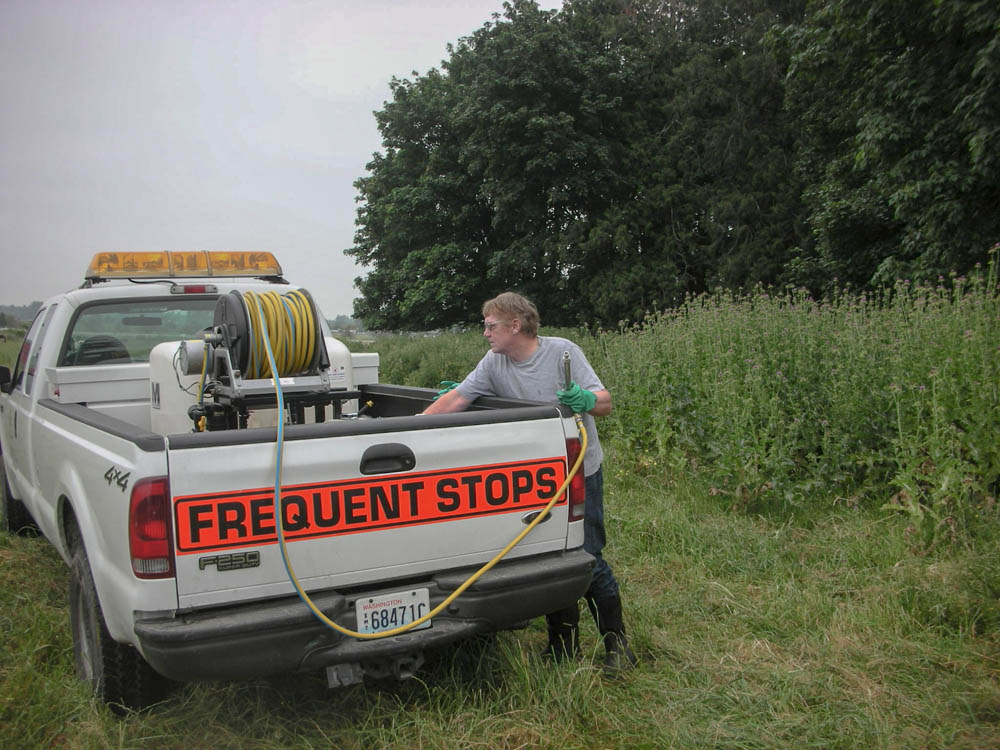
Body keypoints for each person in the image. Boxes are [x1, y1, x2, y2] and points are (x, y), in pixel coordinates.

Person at [421, 292, 637, 673]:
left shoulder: (561, 353)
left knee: (585, 555)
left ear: (515, 325)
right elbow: (456, 399)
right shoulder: (494, 362)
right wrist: (416, 427)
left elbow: (605, 402)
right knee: (546, 556)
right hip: (535, 479)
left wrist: (584, 399)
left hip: (577, 471)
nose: (485, 333)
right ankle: (562, 644)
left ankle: (617, 645)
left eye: (491, 325)